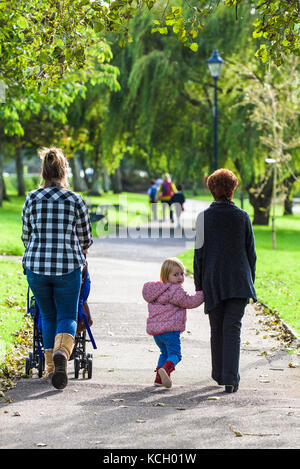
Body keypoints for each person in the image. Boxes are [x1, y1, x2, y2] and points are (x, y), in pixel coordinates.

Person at [21, 147, 93, 390]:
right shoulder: (75, 200)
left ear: (43, 171)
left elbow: (25, 236)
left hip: (37, 268)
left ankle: (52, 368)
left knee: (48, 314)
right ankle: (63, 352)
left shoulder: (32, 198)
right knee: (66, 315)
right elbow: (85, 239)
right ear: (64, 172)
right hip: (67, 267)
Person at [193, 168, 257, 393]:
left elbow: (199, 254)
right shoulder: (242, 217)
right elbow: (251, 253)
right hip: (239, 281)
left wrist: (199, 285)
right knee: (233, 329)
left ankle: (219, 373)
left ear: (211, 190)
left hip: (214, 281)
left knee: (216, 329)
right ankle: (230, 378)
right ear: (232, 189)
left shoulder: (204, 218)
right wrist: (251, 280)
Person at [142, 257, 204, 388]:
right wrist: (203, 293)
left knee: (164, 353)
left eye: (182, 274)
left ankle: (159, 379)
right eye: (176, 275)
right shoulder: (175, 290)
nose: (180, 277)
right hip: (171, 331)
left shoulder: (155, 292)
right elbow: (190, 302)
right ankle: (167, 369)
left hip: (157, 334)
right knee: (175, 354)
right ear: (166, 276)